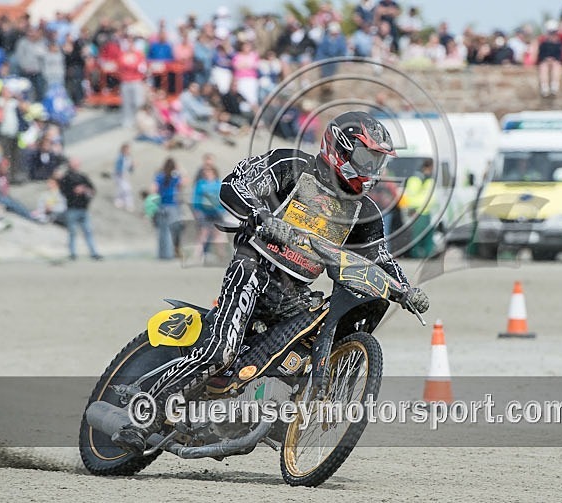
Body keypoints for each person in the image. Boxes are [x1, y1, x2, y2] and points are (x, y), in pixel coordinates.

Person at [111, 111, 429, 453]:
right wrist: (261, 216)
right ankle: (141, 420)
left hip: (295, 294)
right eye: (367, 157)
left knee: (309, 344)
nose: (372, 169)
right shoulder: (293, 165)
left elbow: (379, 258)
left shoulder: (364, 211)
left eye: (378, 160)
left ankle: (270, 412)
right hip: (254, 270)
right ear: (341, 147)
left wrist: (406, 290)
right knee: (220, 352)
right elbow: (234, 185)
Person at [60, 158, 102, 261]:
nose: (76, 165)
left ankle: (93, 252)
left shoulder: (83, 176)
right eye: (74, 164)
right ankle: (72, 253)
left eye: (77, 164)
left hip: (83, 208)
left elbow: (93, 190)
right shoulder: (66, 177)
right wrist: (74, 191)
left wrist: (85, 190)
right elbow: (64, 192)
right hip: (72, 208)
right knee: (72, 232)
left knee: (88, 232)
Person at [153, 157, 187, 260]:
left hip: (161, 205)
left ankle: (161, 254)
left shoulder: (160, 176)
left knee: (162, 231)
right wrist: (180, 168)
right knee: (171, 231)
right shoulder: (175, 176)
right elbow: (185, 182)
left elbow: (153, 189)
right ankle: (169, 254)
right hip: (173, 205)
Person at [403, 158, 436, 258]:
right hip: (418, 211)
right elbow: (411, 195)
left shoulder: (429, 178)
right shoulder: (416, 179)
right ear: (429, 167)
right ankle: (415, 255)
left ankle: (428, 255)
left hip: (427, 211)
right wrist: (412, 208)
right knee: (417, 235)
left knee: (428, 235)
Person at [114, 143, 134, 211]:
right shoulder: (120, 157)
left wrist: (132, 166)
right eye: (128, 149)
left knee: (125, 189)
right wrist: (120, 174)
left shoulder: (129, 157)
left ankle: (121, 201)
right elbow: (118, 168)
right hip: (120, 176)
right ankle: (127, 204)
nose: (129, 151)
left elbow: (130, 169)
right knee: (125, 189)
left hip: (126, 176)